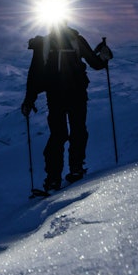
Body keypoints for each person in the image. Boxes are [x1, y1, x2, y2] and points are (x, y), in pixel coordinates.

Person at [21, 22, 112, 191]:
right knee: (78, 132)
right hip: (78, 95)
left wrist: (29, 100)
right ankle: (76, 168)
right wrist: (105, 56)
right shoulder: (77, 41)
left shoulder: (44, 44)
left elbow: (34, 75)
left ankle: (53, 178)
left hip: (55, 97)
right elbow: (96, 63)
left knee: (58, 135)